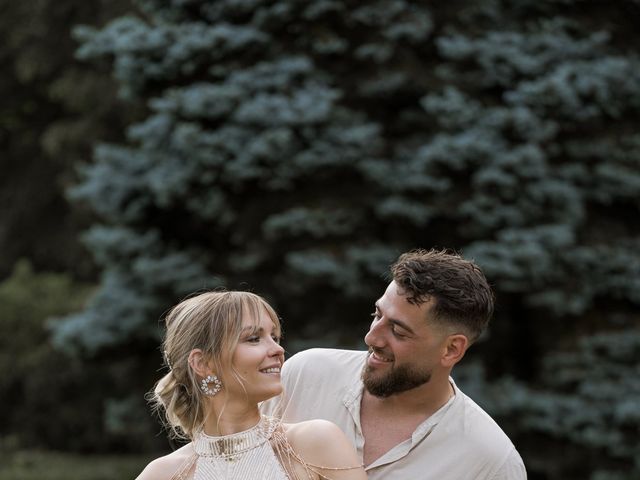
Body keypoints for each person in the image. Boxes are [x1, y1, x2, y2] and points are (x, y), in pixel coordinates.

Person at [263, 249, 527, 479]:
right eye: (377, 314)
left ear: (451, 349)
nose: (371, 337)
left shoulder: (491, 463)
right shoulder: (304, 375)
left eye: (398, 331)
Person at [136, 290, 367, 480]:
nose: (278, 350)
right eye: (253, 339)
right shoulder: (163, 474)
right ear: (203, 363)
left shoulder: (315, 442)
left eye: (274, 337)